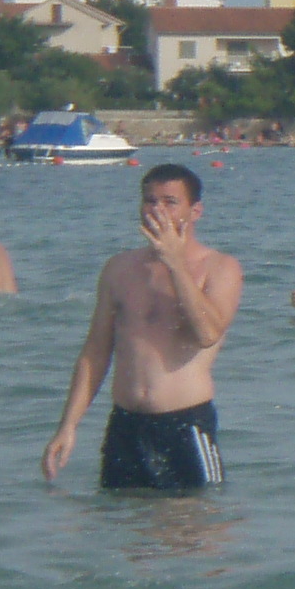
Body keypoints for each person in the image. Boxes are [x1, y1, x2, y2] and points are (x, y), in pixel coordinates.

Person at [42, 164, 243, 491]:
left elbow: (207, 334)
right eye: (150, 201)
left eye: (170, 202)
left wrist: (175, 264)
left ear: (196, 211)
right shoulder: (119, 268)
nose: (157, 210)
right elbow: (95, 352)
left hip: (185, 424)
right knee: (121, 519)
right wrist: (68, 426)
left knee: (195, 520)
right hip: (125, 424)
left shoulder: (220, 267)